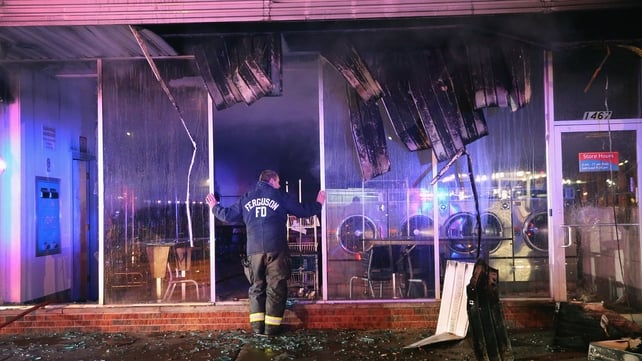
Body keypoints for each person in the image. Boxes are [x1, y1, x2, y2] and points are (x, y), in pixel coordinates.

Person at [205, 169, 326, 336]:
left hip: (254, 251)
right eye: (278, 182)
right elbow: (303, 211)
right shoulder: (280, 196)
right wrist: (319, 203)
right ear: (271, 181)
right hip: (276, 249)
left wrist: (214, 207)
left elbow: (227, 216)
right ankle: (271, 329)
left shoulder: (247, 197)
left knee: (256, 288)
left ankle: (257, 329)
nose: (279, 185)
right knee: (276, 288)